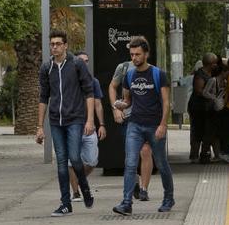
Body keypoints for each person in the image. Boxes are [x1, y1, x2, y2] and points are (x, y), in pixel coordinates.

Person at [34, 30, 95, 216]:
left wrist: (90, 120)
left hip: (75, 119)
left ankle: (84, 187)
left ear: (66, 45)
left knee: (75, 158)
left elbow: (89, 92)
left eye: (58, 43)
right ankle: (65, 203)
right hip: (55, 122)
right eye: (52, 44)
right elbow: (43, 97)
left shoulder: (76, 64)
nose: (55, 47)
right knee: (61, 162)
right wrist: (39, 127)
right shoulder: (46, 68)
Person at [112, 36, 175, 215]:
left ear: (146, 54)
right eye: (132, 54)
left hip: (154, 125)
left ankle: (168, 197)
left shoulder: (158, 74)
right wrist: (121, 105)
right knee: (130, 163)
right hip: (135, 125)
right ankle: (126, 202)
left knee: (162, 164)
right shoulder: (129, 75)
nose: (134, 58)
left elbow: (165, 102)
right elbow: (127, 100)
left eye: (138, 54)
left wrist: (163, 125)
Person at [110, 59, 154, 200]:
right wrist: (115, 109)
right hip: (129, 117)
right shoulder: (123, 68)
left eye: (139, 53)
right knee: (131, 154)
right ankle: (134, 183)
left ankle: (144, 189)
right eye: (133, 53)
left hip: (146, 117)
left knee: (146, 151)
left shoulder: (153, 71)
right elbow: (112, 86)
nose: (136, 56)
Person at [68, 51, 107, 202]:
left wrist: (101, 124)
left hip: (89, 127)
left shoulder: (93, 81)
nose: (85, 63)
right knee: (72, 161)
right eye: (81, 60)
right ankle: (76, 192)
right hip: (72, 126)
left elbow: (98, 104)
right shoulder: (68, 81)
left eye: (87, 61)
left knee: (92, 161)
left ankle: (79, 180)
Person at [189, 53, 218, 162]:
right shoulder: (200, 75)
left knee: (208, 131)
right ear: (209, 64)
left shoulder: (211, 73)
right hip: (198, 108)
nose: (216, 65)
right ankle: (194, 155)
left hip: (208, 108)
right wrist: (212, 96)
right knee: (197, 131)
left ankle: (205, 154)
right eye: (214, 63)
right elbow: (199, 90)